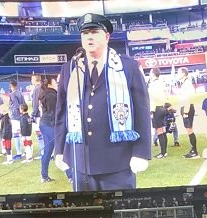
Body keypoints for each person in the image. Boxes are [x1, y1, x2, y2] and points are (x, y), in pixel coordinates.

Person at [54, 13, 151, 191]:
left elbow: (142, 111)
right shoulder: (69, 69)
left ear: (107, 36)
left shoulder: (128, 67)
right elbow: (61, 113)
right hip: (80, 161)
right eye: (85, 33)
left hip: (118, 163)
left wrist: (141, 152)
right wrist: (59, 150)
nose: (89, 37)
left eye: (94, 32)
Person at [39, 75, 58, 183]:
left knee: (54, 150)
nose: (57, 84)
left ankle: (70, 174)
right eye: (55, 82)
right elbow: (53, 113)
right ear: (50, 84)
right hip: (49, 125)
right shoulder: (51, 95)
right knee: (49, 150)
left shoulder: (45, 93)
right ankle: (44, 176)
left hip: (46, 124)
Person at [176, 67, 198, 158]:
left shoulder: (187, 84)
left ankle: (194, 151)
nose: (177, 75)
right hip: (185, 107)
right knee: (188, 129)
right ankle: (193, 150)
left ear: (183, 73)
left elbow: (188, 98)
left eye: (178, 73)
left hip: (187, 108)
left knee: (189, 129)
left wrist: (185, 111)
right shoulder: (185, 83)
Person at [8, 80, 25, 157]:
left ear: (11, 86)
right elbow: (23, 103)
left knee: (16, 134)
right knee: (22, 133)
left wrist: (15, 113)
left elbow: (15, 105)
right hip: (21, 115)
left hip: (15, 116)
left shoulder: (13, 94)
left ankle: (19, 153)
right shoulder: (20, 93)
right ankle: (26, 150)